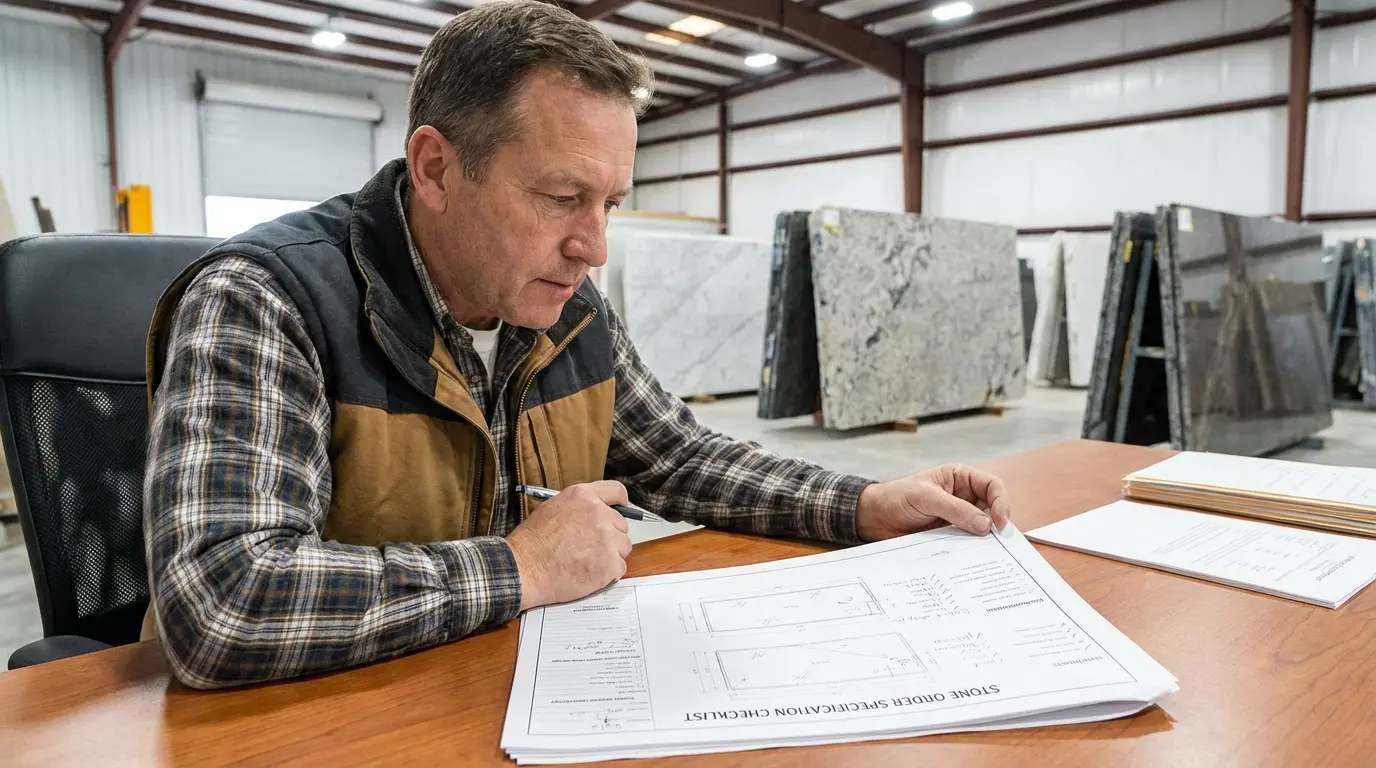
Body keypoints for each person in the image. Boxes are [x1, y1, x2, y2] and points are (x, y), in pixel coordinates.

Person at [141, 0, 1012, 690]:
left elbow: (678, 457)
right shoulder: (268, 300)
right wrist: (518, 567)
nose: (594, 247)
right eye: (561, 197)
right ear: (437, 168)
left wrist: (863, 503)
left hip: (485, 688)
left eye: (610, 203)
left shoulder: (564, 305)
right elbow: (223, 601)